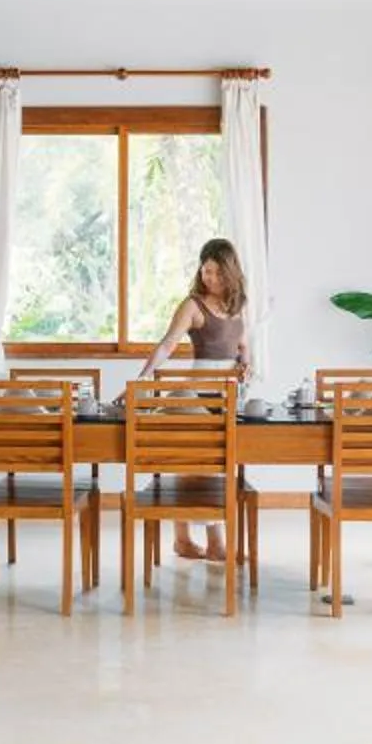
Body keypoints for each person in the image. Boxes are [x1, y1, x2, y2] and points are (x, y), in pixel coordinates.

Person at [138, 238, 249, 562]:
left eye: (216, 272)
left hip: (228, 396)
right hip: (197, 396)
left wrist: (245, 364)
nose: (210, 279)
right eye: (206, 272)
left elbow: (241, 346)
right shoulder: (192, 305)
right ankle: (206, 542)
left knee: (210, 468)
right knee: (195, 466)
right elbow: (168, 344)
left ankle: (187, 541)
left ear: (231, 273)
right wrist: (143, 377)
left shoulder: (238, 307)